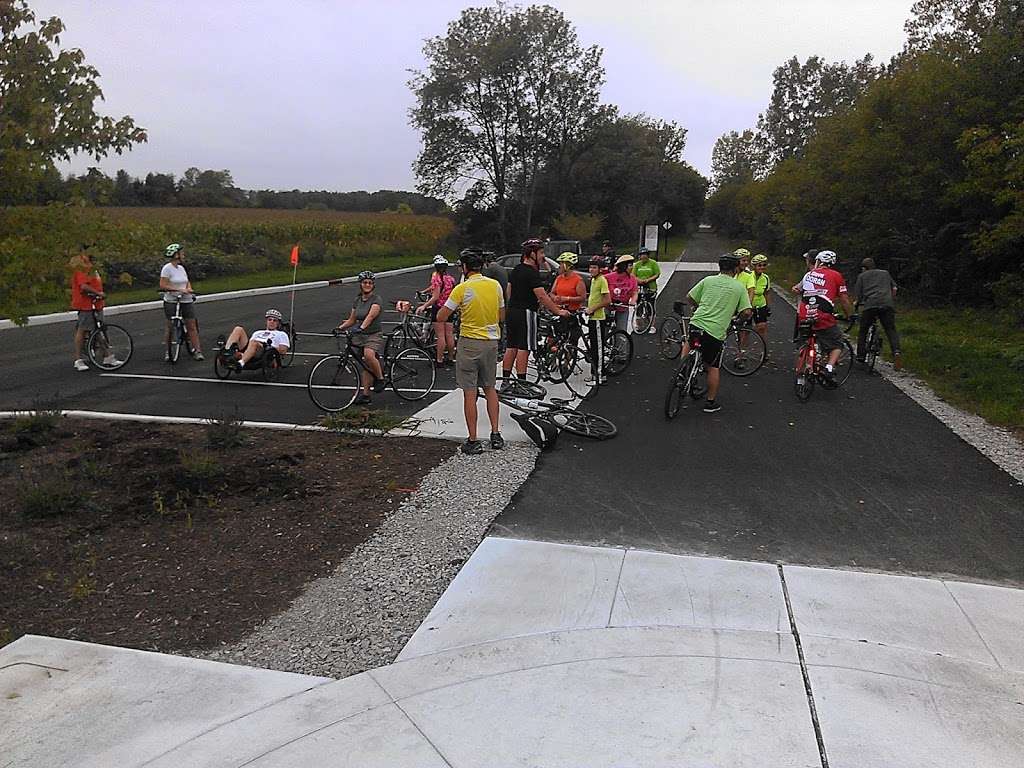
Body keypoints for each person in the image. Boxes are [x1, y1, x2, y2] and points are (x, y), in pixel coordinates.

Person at [437, 248, 505, 455]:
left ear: (465, 268)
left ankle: (473, 439)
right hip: (491, 342)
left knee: (470, 392)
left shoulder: (462, 288)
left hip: (469, 342)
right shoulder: (495, 286)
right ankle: (495, 434)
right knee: (490, 388)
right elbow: (501, 315)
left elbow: (442, 315)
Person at [681, 254, 753, 413]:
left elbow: (689, 297)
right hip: (715, 331)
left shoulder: (708, 280)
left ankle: (682, 369)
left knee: (690, 341)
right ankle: (710, 402)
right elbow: (747, 311)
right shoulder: (738, 287)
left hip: (697, 323)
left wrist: (697, 306)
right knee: (713, 366)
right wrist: (738, 319)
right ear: (735, 269)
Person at [502, 237, 569, 384]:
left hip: (512, 311)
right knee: (523, 347)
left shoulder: (516, 269)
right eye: (541, 252)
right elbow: (542, 295)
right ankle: (522, 382)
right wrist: (558, 311)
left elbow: (508, 290)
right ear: (532, 254)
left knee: (511, 346)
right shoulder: (531, 272)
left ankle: (506, 381)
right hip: (526, 313)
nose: (543, 256)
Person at [796, 249, 855, 384]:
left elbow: (802, 291)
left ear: (818, 261)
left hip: (804, 313)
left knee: (807, 338)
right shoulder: (836, 276)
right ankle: (828, 368)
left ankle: (807, 364)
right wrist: (849, 315)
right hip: (822, 315)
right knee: (837, 342)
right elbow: (844, 299)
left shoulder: (808, 274)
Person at [336, 270, 385, 405]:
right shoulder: (357, 300)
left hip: (373, 334)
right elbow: (352, 319)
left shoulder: (376, 299)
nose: (367, 285)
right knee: (364, 364)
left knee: (369, 356)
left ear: (373, 285)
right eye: (365, 282)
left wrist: (361, 328)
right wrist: (340, 328)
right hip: (360, 335)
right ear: (361, 284)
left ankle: (380, 379)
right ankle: (365, 395)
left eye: (370, 283)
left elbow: (371, 316)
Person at [69, 246, 116, 370]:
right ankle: (78, 359)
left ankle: (107, 356)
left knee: (98, 329)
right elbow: (83, 286)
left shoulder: (91, 265)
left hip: (96, 303)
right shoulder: (81, 266)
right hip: (86, 304)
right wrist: (98, 293)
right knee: (83, 329)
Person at [853, 257, 902, 371]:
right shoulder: (885, 273)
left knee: (863, 330)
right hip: (887, 304)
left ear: (864, 268)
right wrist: (890, 298)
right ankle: (896, 352)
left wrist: (857, 303)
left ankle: (861, 356)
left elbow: (859, 295)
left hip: (870, 305)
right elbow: (894, 288)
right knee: (890, 329)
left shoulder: (862, 276)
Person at [159, 243, 203, 361]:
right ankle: (168, 352)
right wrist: (178, 290)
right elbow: (163, 285)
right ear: (176, 255)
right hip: (172, 300)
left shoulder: (181, 268)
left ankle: (197, 350)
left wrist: (188, 289)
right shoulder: (167, 268)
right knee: (170, 325)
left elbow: (187, 282)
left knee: (191, 324)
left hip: (186, 299)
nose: (183, 255)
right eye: (181, 253)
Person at [417, 255, 457, 367]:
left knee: (440, 336)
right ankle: (450, 358)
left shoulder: (436, 278)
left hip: (439, 307)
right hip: (449, 307)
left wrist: (424, 306)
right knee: (449, 334)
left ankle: (439, 360)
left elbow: (435, 296)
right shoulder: (450, 279)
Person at [224, 309, 291, 369]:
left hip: (264, 351)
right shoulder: (258, 332)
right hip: (250, 349)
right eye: (269, 320)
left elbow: (283, 351)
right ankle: (227, 352)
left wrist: (271, 347)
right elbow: (249, 345)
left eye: (274, 320)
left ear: (278, 323)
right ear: (266, 321)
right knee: (238, 329)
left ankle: (241, 363)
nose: (271, 322)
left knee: (254, 343)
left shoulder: (281, 334)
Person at [584, 255, 611, 386]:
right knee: (593, 348)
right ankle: (594, 373)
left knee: (599, 348)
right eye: (590, 267)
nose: (591, 269)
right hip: (592, 318)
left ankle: (601, 376)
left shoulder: (602, 280)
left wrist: (593, 308)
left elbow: (607, 300)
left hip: (599, 319)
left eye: (594, 267)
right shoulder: (594, 280)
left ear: (600, 269)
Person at [606, 254, 638, 333]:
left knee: (622, 330)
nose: (632, 268)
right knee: (604, 329)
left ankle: (620, 344)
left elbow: (635, 292)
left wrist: (633, 301)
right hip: (608, 306)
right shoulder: (608, 277)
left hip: (623, 307)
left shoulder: (632, 279)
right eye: (630, 265)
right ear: (623, 266)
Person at [633, 247, 661, 333]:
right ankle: (638, 325)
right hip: (639, 288)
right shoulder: (637, 264)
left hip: (650, 287)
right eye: (641, 255)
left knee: (650, 306)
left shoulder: (653, 263)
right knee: (638, 307)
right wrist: (639, 280)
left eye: (645, 255)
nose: (643, 257)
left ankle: (651, 326)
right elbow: (633, 275)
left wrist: (648, 280)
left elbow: (657, 274)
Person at [750, 254, 772, 355]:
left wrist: (768, 306)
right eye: (759, 265)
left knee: (762, 328)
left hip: (761, 305)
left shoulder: (766, 278)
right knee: (745, 331)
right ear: (753, 266)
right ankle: (741, 353)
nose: (762, 267)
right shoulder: (749, 277)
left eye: (764, 265)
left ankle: (763, 352)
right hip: (749, 305)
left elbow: (766, 293)